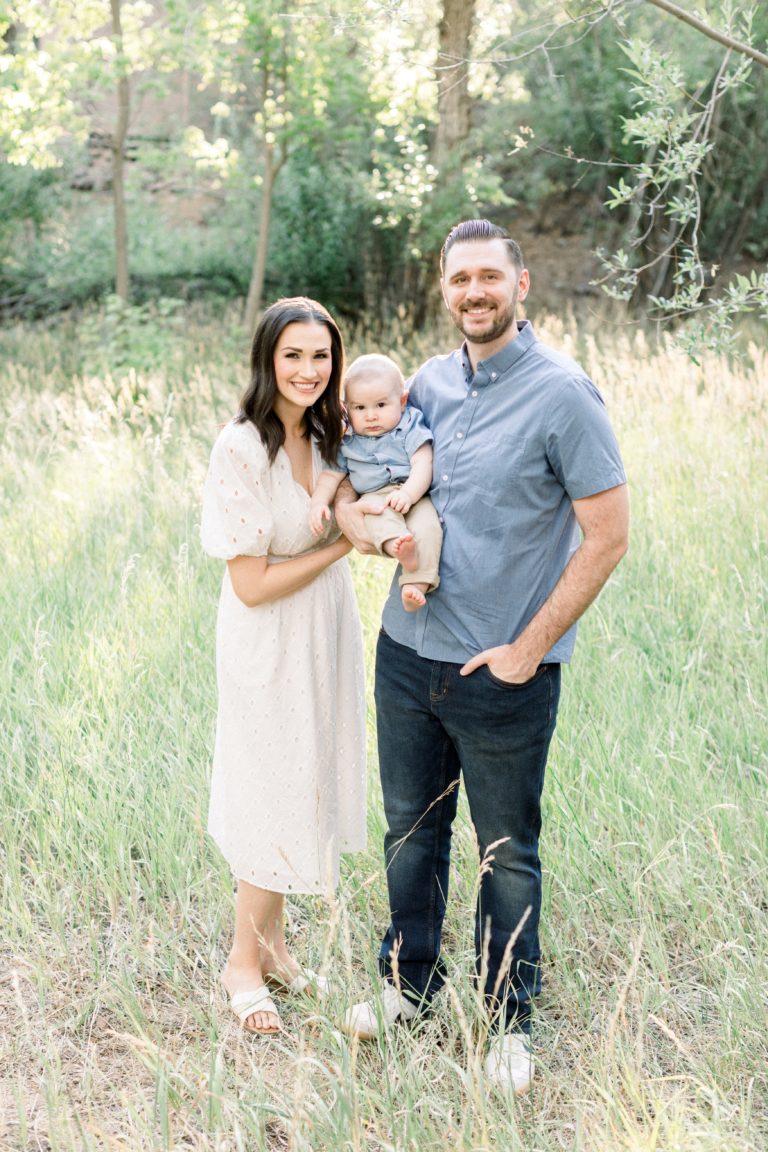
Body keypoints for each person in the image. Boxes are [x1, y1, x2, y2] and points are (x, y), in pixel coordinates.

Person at [336, 220, 629, 1094]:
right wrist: (366, 530)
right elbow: (374, 486)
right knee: (409, 831)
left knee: (507, 850)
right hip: (405, 653)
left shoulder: (564, 395)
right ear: (445, 289)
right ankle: (409, 984)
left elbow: (608, 537)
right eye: (460, 278)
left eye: (489, 278)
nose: (474, 292)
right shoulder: (422, 384)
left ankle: (509, 1023)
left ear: (522, 284)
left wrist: (528, 649)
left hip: (504, 674)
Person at [200, 296, 366, 1036]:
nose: (308, 369)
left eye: (321, 356)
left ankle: (274, 947)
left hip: (325, 630)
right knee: (269, 785)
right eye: (293, 355)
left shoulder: (333, 434)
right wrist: (340, 548)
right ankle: (242, 959)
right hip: (266, 638)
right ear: (268, 360)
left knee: (306, 780)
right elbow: (252, 582)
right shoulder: (242, 448)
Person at [309, 353, 443, 611]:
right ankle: (397, 545)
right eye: (360, 408)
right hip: (374, 496)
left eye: (381, 406)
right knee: (377, 516)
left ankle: (415, 584)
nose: (370, 416)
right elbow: (331, 475)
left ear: (402, 400)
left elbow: (423, 462)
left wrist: (408, 494)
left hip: (413, 493)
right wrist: (318, 503)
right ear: (346, 408)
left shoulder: (409, 424)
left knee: (429, 527)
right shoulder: (348, 439)